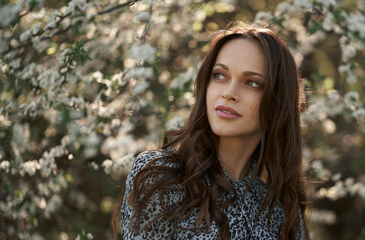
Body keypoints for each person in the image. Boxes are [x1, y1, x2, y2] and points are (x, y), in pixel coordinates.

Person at [112, 23, 309, 240]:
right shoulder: (161, 178)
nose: (229, 93)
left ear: (277, 102)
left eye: (252, 83)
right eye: (219, 75)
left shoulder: (280, 211)